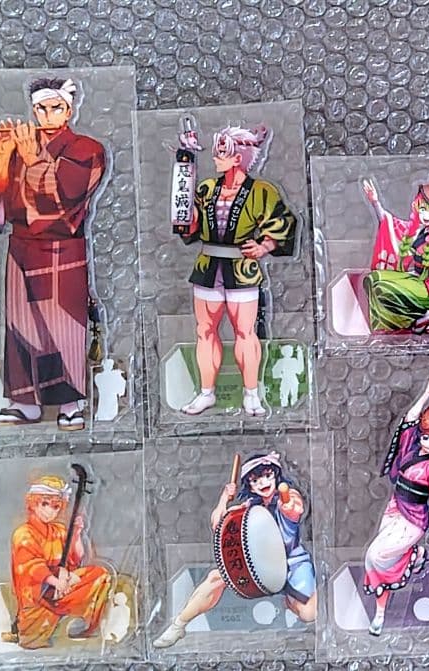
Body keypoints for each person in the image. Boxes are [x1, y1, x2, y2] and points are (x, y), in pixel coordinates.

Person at [0, 77, 107, 431]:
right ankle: (24, 402)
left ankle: (69, 404)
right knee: (20, 327)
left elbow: (65, 196)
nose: (47, 115)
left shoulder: (86, 149)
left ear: (69, 109)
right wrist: (3, 154)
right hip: (21, 247)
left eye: (55, 108)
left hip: (62, 248)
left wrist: (32, 156)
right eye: (41, 109)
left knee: (62, 327)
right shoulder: (21, 146)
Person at [177, 124, 297, 417]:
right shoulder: (207, 188)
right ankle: (206, 392)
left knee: (245, 332)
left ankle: (251, 393)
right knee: (205, 331)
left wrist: (264, 246)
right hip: (208, 267)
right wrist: (185, 161)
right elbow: (187, 221)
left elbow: (283, 221)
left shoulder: (261, 191)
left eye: (221, 152)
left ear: (238, 157)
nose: (215, 157)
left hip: (242, 270)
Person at [153, 452, 316, 647]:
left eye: (267, 475)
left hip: (292, 563)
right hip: (260, 566)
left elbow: (294, 507)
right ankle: (178, 625)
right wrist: (224, 498)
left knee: (309, 614)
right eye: (255, 480)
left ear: (275, 475)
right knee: (216, 577)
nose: (263, 482)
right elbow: (219, 524)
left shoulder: (285, 497)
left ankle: (292, 601)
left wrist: (289, 503)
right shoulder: (250, 507)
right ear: (250, 486)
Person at [363, 371, 429, 635]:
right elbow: (408, 421)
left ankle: (412, 555)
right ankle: (380, 614)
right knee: (377, 563)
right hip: (395, 507)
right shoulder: (410, 449)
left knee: (375, 555)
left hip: (414, 518)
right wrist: (427, 393)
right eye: (427, 436)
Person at [8, 475, 112, 649]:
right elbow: (31, 567)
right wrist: (56, 582)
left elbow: (75, 559)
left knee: (100, 574)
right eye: (44, 504)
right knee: (34, 637)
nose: (50, 511)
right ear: (33, 504)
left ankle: (86, 625)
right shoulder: (23, 533)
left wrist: (76, 534)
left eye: (56, 506)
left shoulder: (59, 530)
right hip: (40, 597)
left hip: (61, 588)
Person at [362, 166, 429, 333]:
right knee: (372, 279)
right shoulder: (418, 231)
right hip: (418, 280)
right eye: (423, 209)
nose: (426, 215)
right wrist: (375, 202)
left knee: (382, 289)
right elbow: (390, 225)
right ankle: (385, 329)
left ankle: (421, 316)